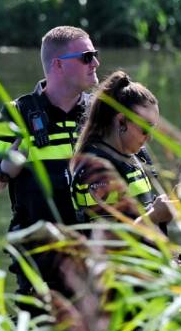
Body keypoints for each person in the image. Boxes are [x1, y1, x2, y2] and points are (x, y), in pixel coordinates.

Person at [0, 25, 100, 298]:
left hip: (92, 254)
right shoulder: (18, 113)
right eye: (87, 56)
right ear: (58, 65)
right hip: (37, 257)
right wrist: (4, 171)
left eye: (95, 55)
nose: (96, 63)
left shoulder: (99, 113)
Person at [70, 71, 172, 228]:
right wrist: (155, 216)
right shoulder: (96, 170)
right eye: (145, 128)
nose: (149, 137)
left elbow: (140, 210)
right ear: (121, 121)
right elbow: (109, 243)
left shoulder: (138, 155)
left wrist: (176, 201)